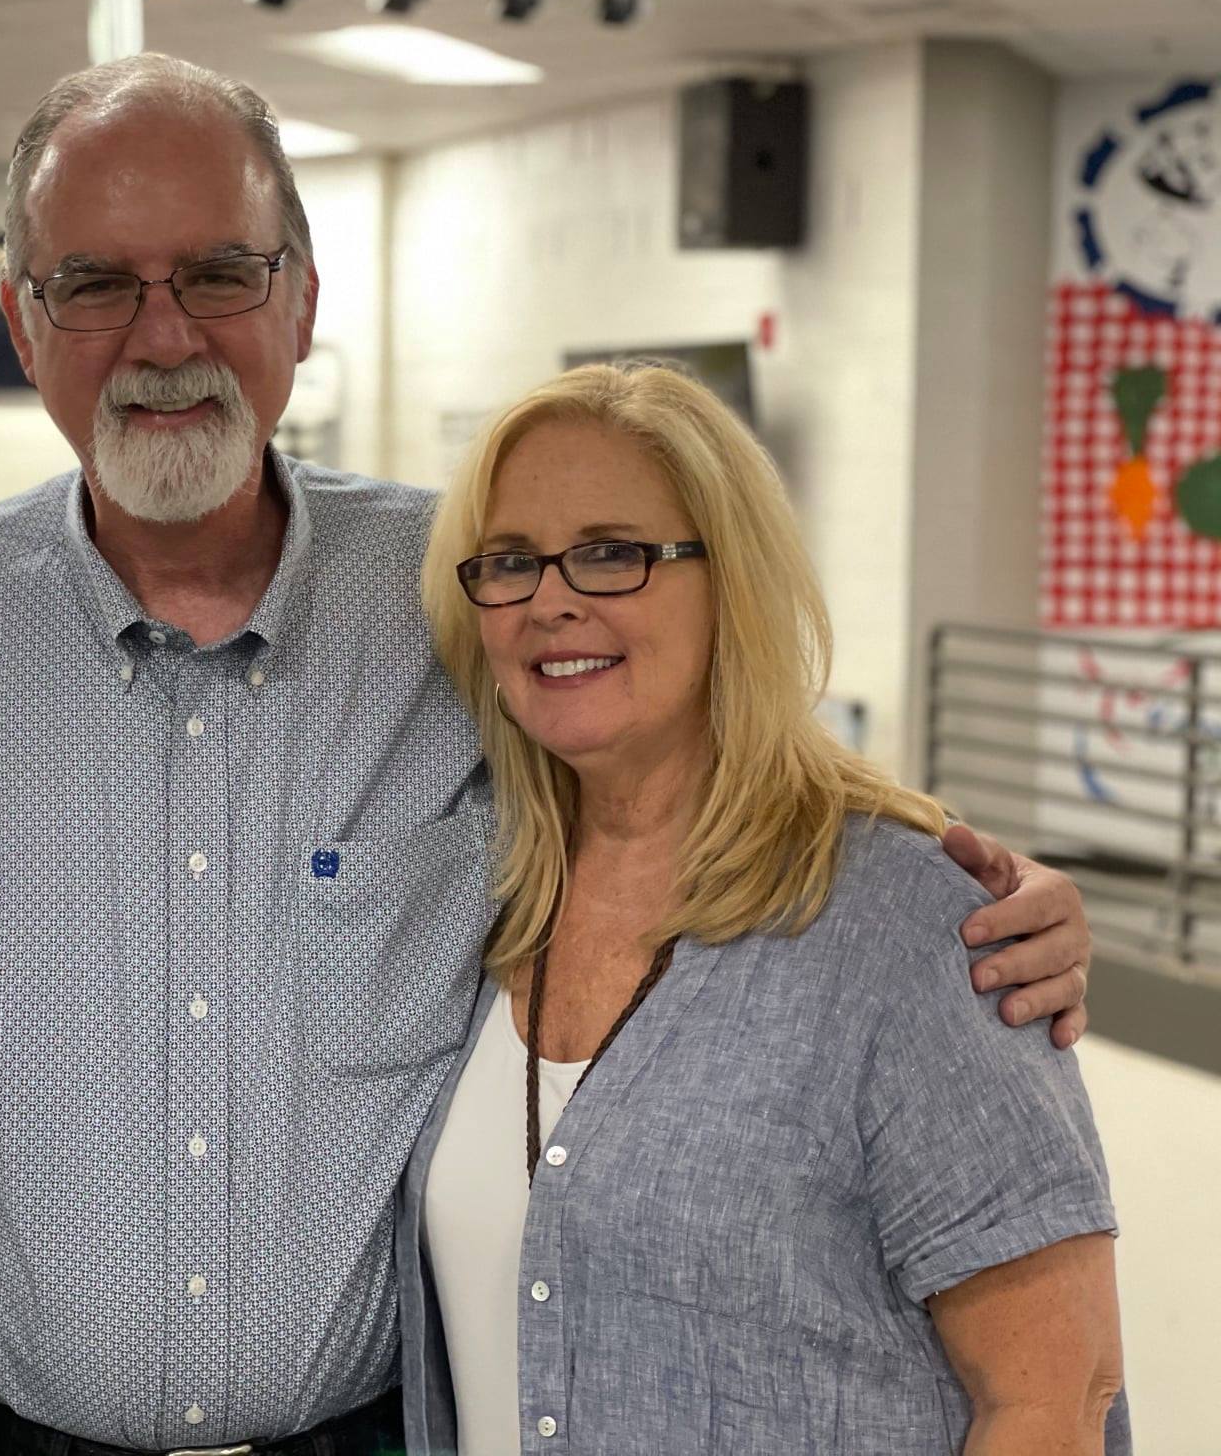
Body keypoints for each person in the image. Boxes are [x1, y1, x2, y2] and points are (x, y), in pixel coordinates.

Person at [0, 53, 1097, 1456]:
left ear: (303, 302)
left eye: (220, 273)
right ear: (22, 320)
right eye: (97, 284)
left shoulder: (451, 595)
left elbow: (694, 747)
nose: (164, 334)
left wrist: (960, 889)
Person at [399, 362, 1127, 1454]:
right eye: (510, 562)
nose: (552, 599)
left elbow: (1058, 1398)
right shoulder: (479, 902)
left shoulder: (907, 932)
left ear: (729, 579)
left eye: (613, 552)